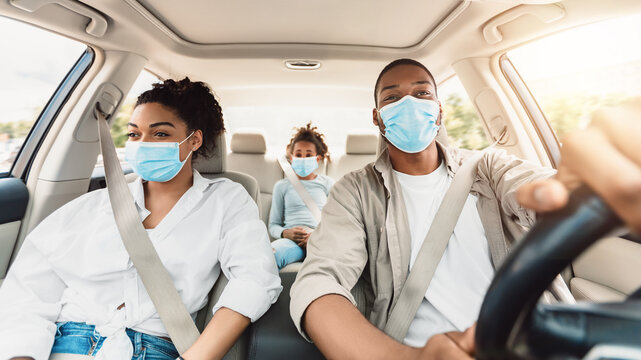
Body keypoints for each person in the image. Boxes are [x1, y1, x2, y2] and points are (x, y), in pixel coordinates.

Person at [289, 58, 558, 359]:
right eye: (392, 97)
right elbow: (319, 282)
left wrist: (578, 190)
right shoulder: (355, 191)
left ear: (439, 110)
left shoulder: (488, 167)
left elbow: (545, 191)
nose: (409, 104)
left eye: (422, 94)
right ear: (377, 118)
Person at [0, 78, 282, 360]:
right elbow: (29, 289)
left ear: (194, 140)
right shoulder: (94, 205)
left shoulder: (226, 200)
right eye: (134, 135)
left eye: (160, 134)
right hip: (63, 343)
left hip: (154, 347)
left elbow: (255, 279)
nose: (143, 144)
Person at [269, 122, 334, 269]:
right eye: (298, 154)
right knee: (269, 256)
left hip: (321, 240)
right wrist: (286, 233)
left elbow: (337, 221)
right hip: (291, 242)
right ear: (291, 158)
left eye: (308, 155)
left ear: (317, 159)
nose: (303, 158)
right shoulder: (282, 186)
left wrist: (318, 234)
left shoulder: (328, 184)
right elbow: (273, 225)